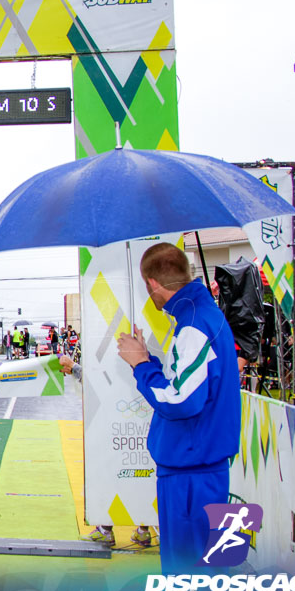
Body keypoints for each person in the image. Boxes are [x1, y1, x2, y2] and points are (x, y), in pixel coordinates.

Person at [116, 243, 240, 573]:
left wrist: (142, 365)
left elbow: (182, 401)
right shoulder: (196, 318)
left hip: (192, 473)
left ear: (152, 284)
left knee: (189, 575)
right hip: (194, 467)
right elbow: (186, 386)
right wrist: (148, 361)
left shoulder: (195, 325)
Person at [58, 355, 153, 548]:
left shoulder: (119, 357)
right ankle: (143, 530)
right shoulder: (149, 358)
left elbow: (103, 384)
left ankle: (106, 530)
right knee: (142, 476)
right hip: (144, 426)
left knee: (112, 476)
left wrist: (74, 367)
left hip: (120, 427)